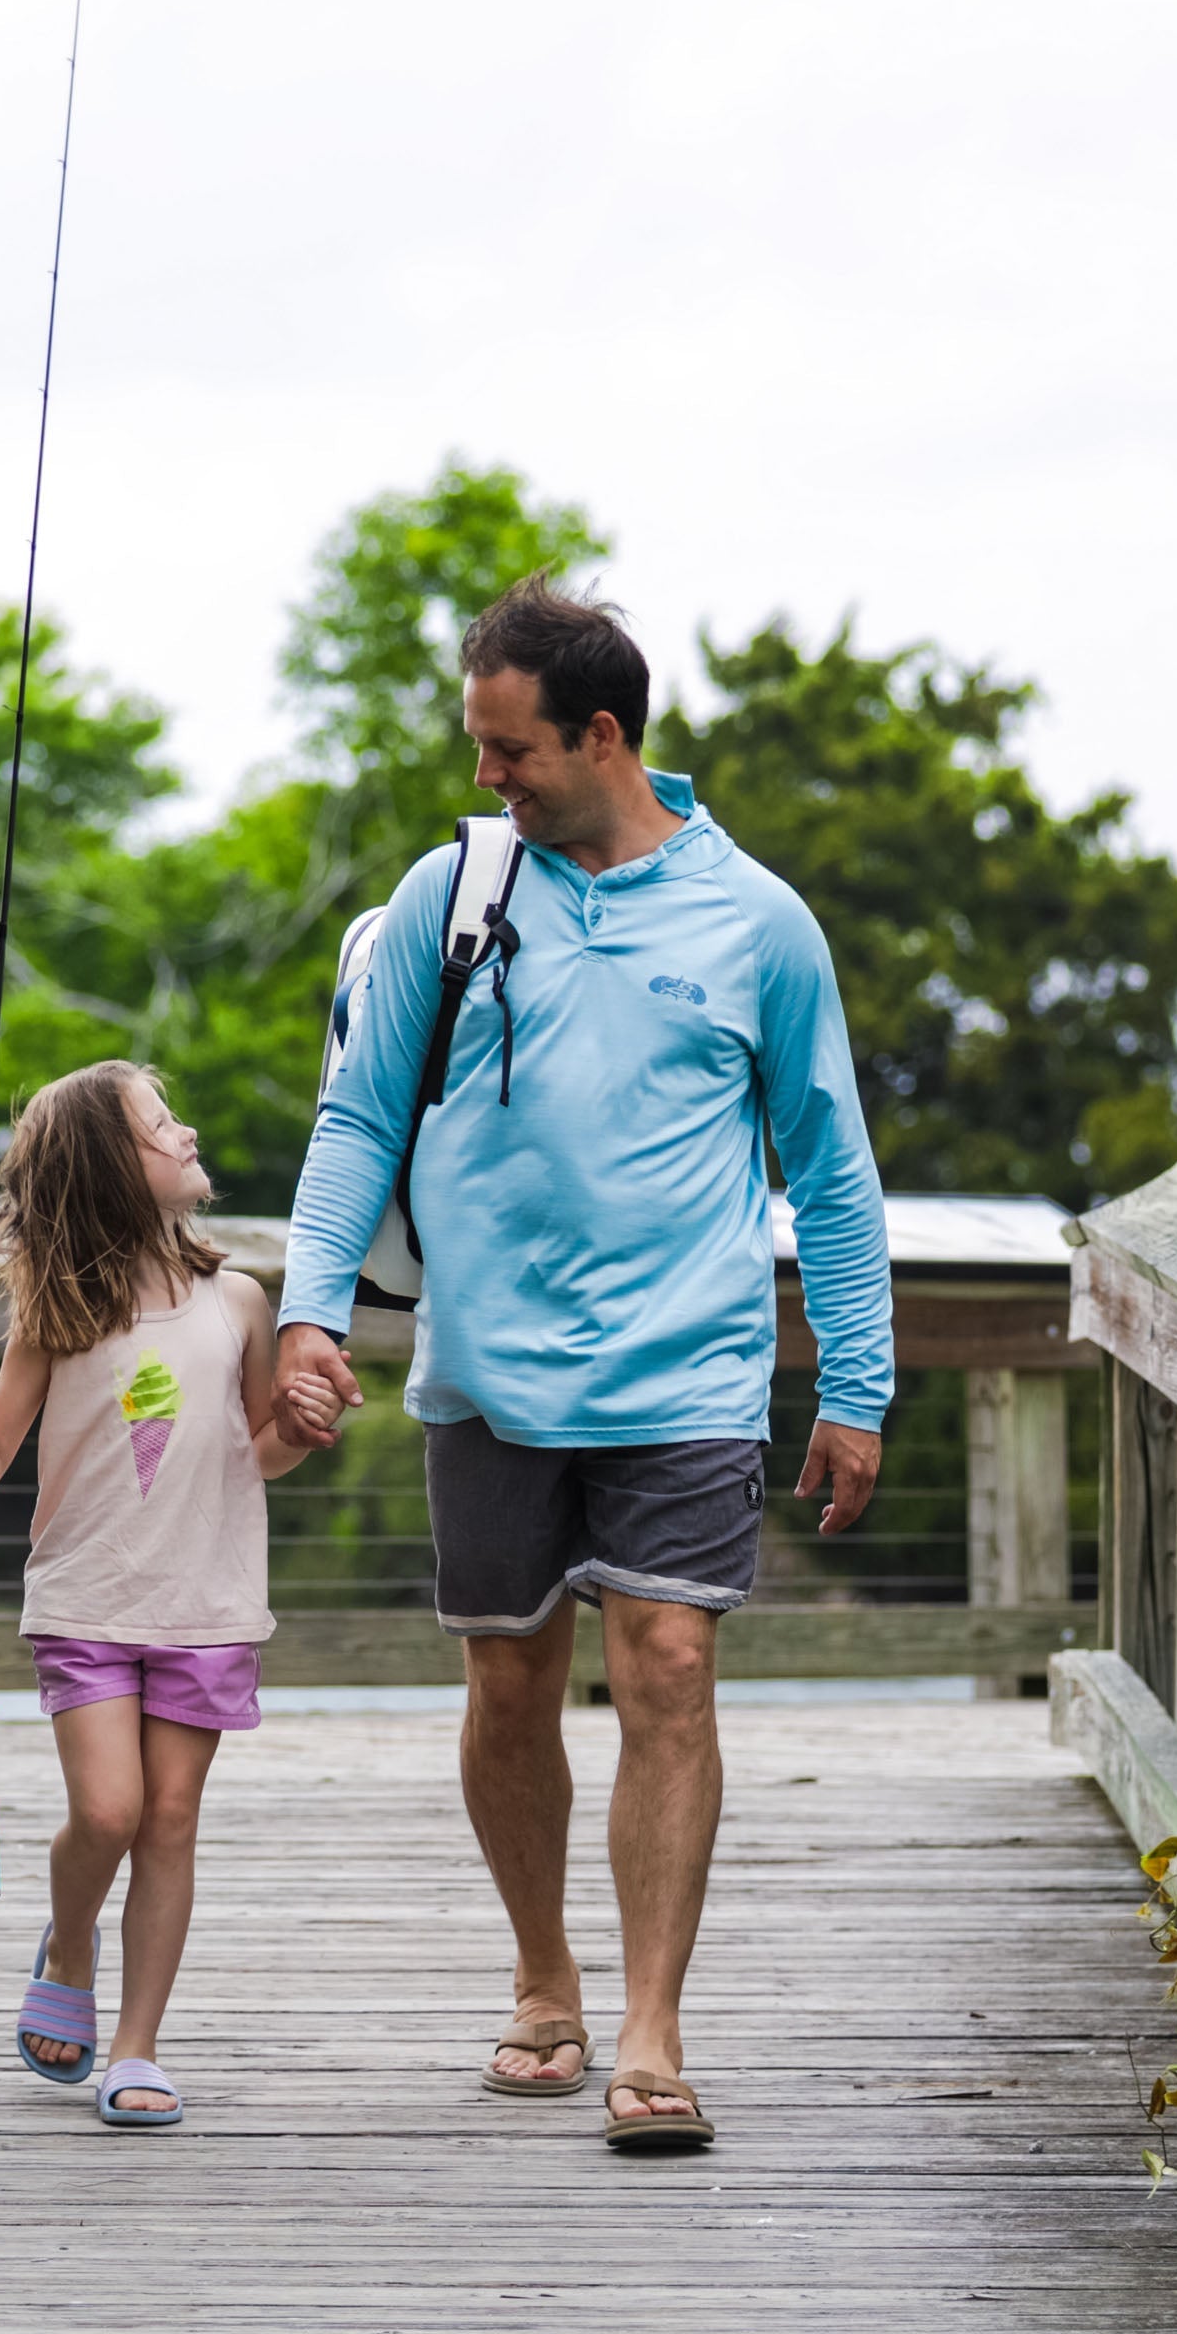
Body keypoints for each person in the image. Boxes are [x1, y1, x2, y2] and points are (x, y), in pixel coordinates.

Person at [274, 579, 890, 2151]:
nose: (487, 777)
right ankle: (544, 1977)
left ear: (601, 733)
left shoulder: (759, 922)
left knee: (670, 1667)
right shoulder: (453, 895)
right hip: (488, 1369)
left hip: (687, 1367)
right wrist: (309, 1313)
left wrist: (857, 1385)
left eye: (509, 749)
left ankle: (653, 2028)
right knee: (507, 1679)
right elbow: (355, 1119)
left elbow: (829, 1171)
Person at [0, 1060, 340, 2131]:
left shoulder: (239, 1300)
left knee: (167, 1818)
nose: (188, 1129)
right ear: (117, 1169)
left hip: (206, 1602)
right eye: (163, 1123)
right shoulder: (56, 1311)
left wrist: (294, 1429)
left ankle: (136, 2044)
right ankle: (70, 1940)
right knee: (106, 1808)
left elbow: (257, 1451)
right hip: (86, 1599)